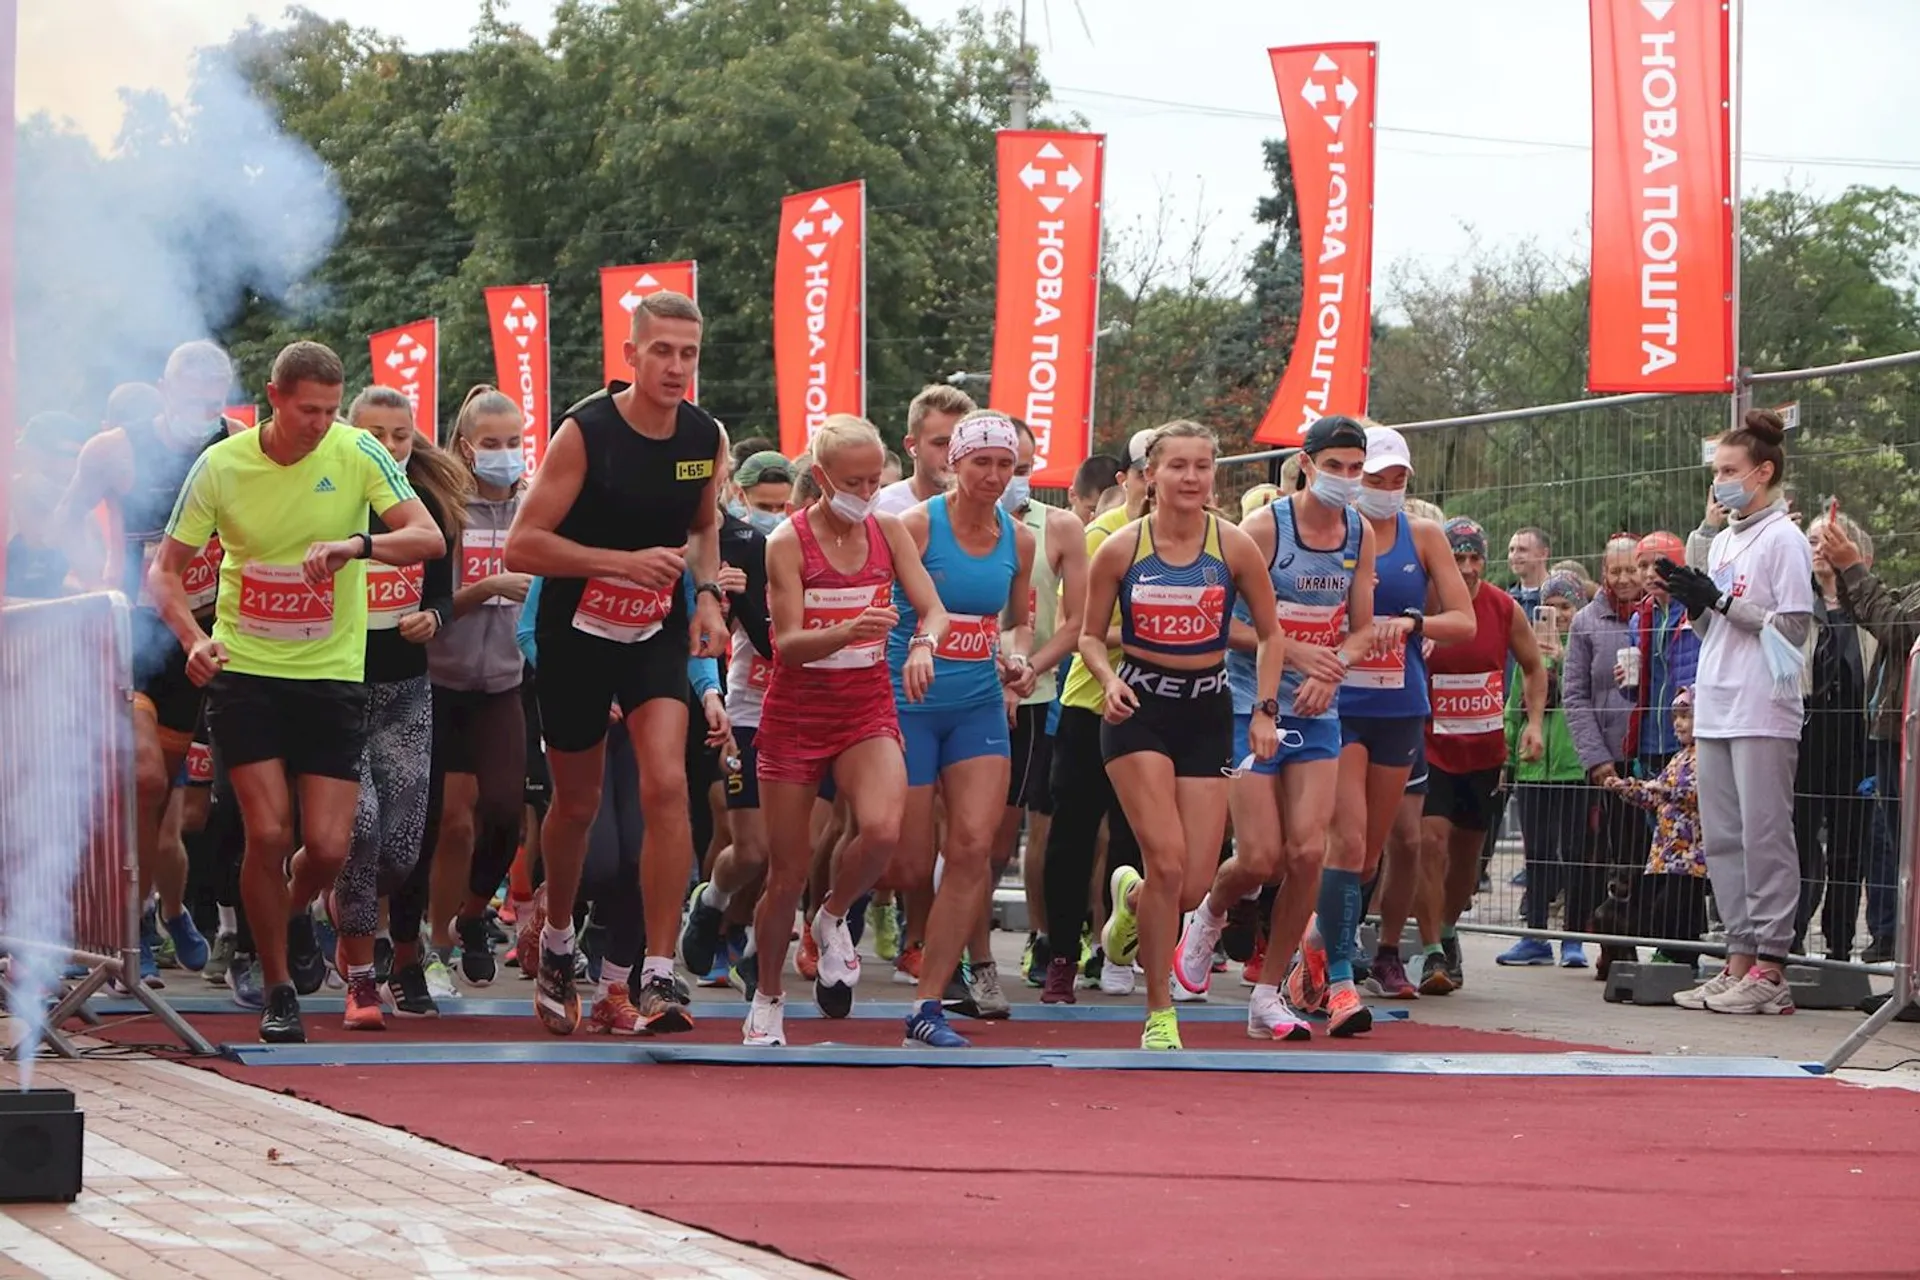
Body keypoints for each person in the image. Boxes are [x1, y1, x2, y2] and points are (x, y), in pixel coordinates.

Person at [149, 340, 445, 1042]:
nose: (319, 423)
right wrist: (195, 642)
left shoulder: (356, 453)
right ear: (273, 397)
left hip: (332, 674)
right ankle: (280, 987)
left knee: (331, 847)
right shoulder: (221, 464)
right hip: (247, 670)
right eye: (307, 409)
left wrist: (357, 547)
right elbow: (165, 571)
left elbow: (427, 536)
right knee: (270, 831)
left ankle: (281, 916)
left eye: (330, 410)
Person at [504, 290, 728, 1036]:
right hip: (576, 634)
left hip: (654, 633)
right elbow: (522, 546)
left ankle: (658, 976)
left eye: (688, 353)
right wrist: (617, 563)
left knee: (668, 786)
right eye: (660, 350)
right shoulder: (586, 432)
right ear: (630, 355)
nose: (675, 366)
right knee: (576, 805)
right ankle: (560, 942)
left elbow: (703, 529)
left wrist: (704, 600)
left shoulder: (705, 436)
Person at [1172, 415, 1383, 1041]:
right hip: (1246, 702)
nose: (1347, 480)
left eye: (1356, 469)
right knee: (1259, 857)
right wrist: (1291, 651)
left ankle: (1269, 994)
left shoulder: (1359, 532)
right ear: (1306, 462)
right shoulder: (1265, 528)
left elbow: (1363, 628)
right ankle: (1208, 915)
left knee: (1308, 852)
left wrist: (1334, 665)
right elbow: (1222, 626)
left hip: (1318, 709)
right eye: (1336, 467)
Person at [1077, 421, 1285, 1050]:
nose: (1192, 478)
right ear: (1151, 475)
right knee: (1166, 858)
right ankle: (1160, 1012)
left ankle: (1129, 904)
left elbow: (1272, 635)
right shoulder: (1120, 549)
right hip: (1138, 710)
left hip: (1207, 713)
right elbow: (1088, 635)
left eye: (1203, 466)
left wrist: (1265, 711)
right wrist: (1108, 679)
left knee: (1190, 883)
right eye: (1178, 466)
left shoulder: (1235, 547)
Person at [743, 414, 947, 1047]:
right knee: (785, 871)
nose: (866, 490)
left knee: (885, 832)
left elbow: (933, 607)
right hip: (797, 714)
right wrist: (848, 631)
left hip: (866, 707)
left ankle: (832, 916)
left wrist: (921, 646)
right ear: (823, 478)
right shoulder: (785, 541)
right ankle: (768, 997)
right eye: (853, 481)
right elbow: (788, 646)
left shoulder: (888, 530)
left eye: (873, 478)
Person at [52, 344, 243, 982]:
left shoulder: (236, 445)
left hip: (204, 632)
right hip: (133, 630)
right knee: (146, 781)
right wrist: (91, 580)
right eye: (191, 394)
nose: (203, 407)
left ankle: (134, 922)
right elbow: (65, 520)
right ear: (164, 388)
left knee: (164, 795)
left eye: (214, 395)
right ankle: (120, 925)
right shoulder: (115, 449)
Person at [1305, 425, 1472, 1004]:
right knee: (1346, 842)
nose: (1387, 489)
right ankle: (1334, 963)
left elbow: (1464, 621)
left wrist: (1410, 623)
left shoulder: (1422, 535)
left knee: (1381, 847)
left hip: (1399, 705)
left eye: (1398, 480)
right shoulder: (1331, 534)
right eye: (1376, 479)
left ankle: (1369, 949)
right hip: (1339, 703)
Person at [1655, 408, 1814, 1014]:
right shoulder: (1724, 538)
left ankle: (1772, 964)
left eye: (1729, 470)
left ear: (1762, 472)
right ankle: (1739, 954)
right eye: (1717, 470)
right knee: (1721, 838)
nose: (1718, 482)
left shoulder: (1784, 540)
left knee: (1764, 835)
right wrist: (1692, 596)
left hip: (1762, 705)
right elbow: (1710, 625)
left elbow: (1793, 629)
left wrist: (1719, 600)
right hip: (1717, 703)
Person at [883, 411, 1034, 1043]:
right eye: (983, 463)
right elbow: (879, 603)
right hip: (907, 699)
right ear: (955, 463)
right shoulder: (915, 525)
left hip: (977, 703)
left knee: (974, 848)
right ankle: (833, 916)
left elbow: (1017, 621)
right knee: (909, 865)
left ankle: (928, 1005)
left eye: (1007, 465)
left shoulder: (1019, 540)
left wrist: (1018, 658)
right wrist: (919, 643)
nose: (995, 477)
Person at [391, 387, 530, 1005]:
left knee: (504, 811)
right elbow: (429, 604)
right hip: (436, 680)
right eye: (493, 444)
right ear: (466, 448)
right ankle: (410, 953)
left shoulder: (534, 511)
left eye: (516, 442)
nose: (506, 455)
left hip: (504, 680)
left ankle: (474, 915)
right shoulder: (444, 511)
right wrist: (485, 587)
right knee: (432, 824)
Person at [333, 386, 467, 1028]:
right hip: (338, 690)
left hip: (407, 691)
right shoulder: (329, 502)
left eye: (401, 435)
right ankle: (360, 977)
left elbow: (442, 593)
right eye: (375, 435)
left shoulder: (428, 508)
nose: (388, 447)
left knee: (401, 850)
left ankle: (346, 911)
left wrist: (432, 618)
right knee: (357, 831)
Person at [1037, 426, 1161, 1002]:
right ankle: (1061, 952)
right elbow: (1082, 626)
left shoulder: (1205, 538)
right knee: (1073, 837)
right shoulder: (1102, 535)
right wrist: (1147, 636)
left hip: (1162, 706)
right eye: (1150, 470)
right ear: (1130, 477)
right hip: (1092, 700)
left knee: (1142, 839)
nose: (1164, 483)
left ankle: (1121, 951)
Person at [1414, 516, 1546, 992]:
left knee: (1467, 862)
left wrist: (1532, 724)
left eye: (1475, 558)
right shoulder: (1425, 606)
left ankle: (1448, 931)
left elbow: (1534, 667)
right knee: (1429, 844)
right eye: (1457, 558)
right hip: (1430, 750)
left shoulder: (1504, 607)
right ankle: (1430, 952)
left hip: (1485, 753)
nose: (1467, 569)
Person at [998, 420, 1087, 992]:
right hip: (965, 694)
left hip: (1042, 695)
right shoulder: (931, 523)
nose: (1012, 479)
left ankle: (1044, 936)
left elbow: (1076, 623)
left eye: (1024, 468)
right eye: (1004, 465)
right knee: (973, 836)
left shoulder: (1058, 527)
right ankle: (937, 939)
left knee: (1036, 829)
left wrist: (1031, 667)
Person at [1821, 513, 1917, 965]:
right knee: (1902, 856)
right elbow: (1876, 609)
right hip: (1889, 731)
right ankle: (1907, 974)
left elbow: (1898, 628)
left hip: (1906, 735)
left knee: (1907, 856)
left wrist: (1854, 567)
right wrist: (1843, 570)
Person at [1558, 534, 1650, 971]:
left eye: (1633, 568)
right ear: (1603, 575)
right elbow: (1573, 695)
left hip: (1655, 752)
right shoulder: (1586, 623)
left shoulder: (1662, 615)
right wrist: (1596, 758)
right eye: (1616, 571)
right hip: (1611, 757)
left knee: (1652, 852)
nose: (1626, 578)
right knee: (1617, 853)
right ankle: (1615, 943)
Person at [1496, 573, 1595, 966]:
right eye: (1548, 609)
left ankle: (1573, 939)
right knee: (1535, 854)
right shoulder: (1528, 653)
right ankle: (1535, 934)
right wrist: (1506, 756)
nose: (1557, 617)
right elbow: (1513, 705)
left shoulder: (1584, 648)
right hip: (1534, 767)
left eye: (1565, 608)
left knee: (1575, 853)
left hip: (1573, 766)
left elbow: (1587, 694)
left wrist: (1563, 658)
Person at [1790, 510, 1875, 960]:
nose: (1818, 548)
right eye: (1811, 540)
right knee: (1799, 846)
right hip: (1805, 737)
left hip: (1858, 742)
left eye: (1828, 539)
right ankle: (1790, 937)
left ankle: (1840, 947)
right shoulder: (1795, 605)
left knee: (1849, 848)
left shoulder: (1871, 607)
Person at [1604, 686, 1708, 963]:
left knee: (1681, 910)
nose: (1678, 722)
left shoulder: (1707, 756)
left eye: (1686, 716)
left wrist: (1661, 789)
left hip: (1691, 857)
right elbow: (1654, 794)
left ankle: (1682, 959)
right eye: (1676, 716)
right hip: (1666, 853)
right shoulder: (1679, 758)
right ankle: (1669, 952)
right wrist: (1626, 788)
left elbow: (1695, 791)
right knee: (1662, 910)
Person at [875, 385, 973, 516]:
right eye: (940, 443)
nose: (953, 454)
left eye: (963, 443)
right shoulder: (880, 509)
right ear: (912, 446)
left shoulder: (990, 512)